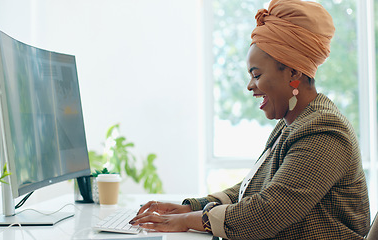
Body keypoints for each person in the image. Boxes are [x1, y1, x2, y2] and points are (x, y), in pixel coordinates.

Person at [129, 0, 371, 239]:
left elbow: (268, 212)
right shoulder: (292, 123)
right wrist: (190, 208)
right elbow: (252, 189)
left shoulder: (324, 130)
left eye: (257, 75)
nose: (249, 86)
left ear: (294, 72)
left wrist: (187, 221)